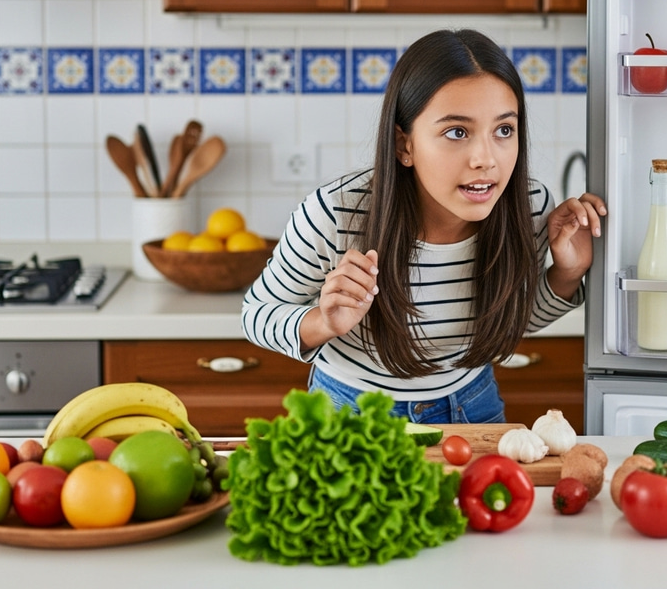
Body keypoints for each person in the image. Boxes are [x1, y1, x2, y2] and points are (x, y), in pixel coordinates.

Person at [242, 29, 606, 424]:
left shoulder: (529, 207)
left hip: (472, 404)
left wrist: (567, 273)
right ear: (405, 145)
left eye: (504, 130)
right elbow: (255, 314)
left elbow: (517, 320)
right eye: (457, 132)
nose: (486, 159)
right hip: (349, 410)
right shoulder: (336, 215)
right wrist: (322, 322)